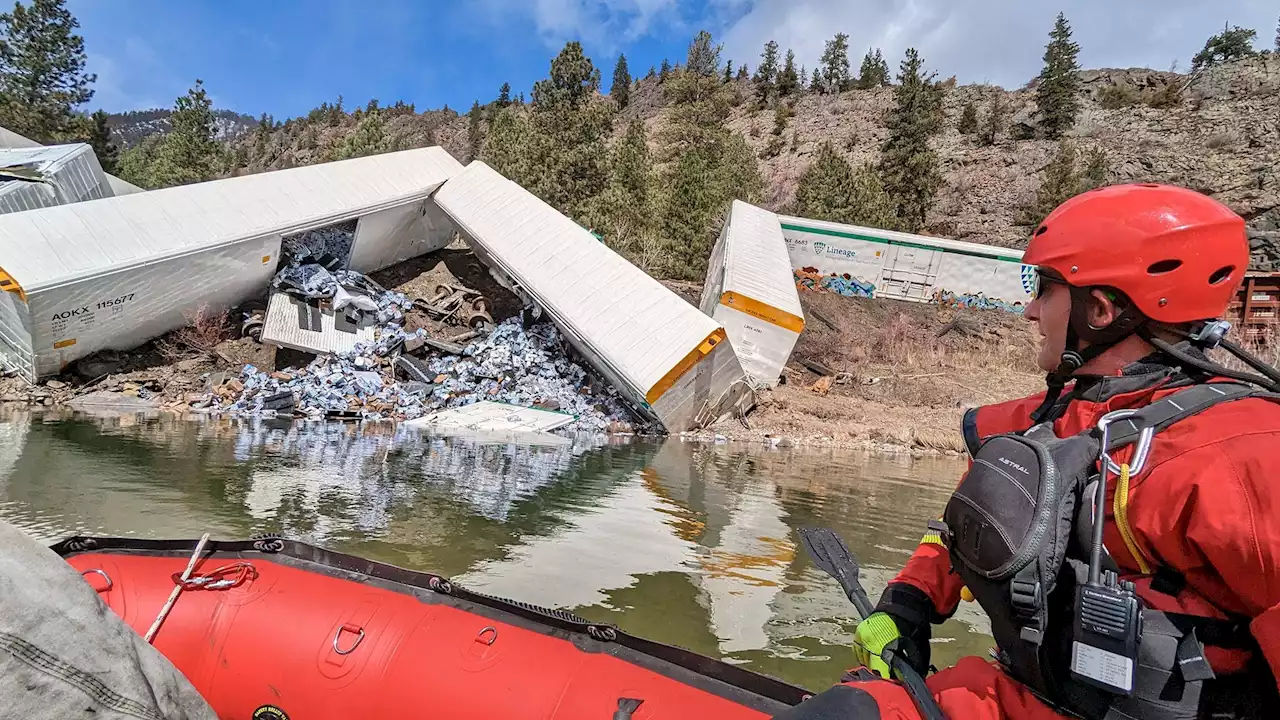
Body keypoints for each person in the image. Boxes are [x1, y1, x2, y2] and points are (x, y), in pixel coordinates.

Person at [776, 183, 1280, 720]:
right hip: (1029, 697)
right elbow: (962, 529)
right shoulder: (1049, 424)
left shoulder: (1243, 453)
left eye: (1044, 289)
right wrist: (908, 605)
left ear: (1101, 310)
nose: (1030, 310)